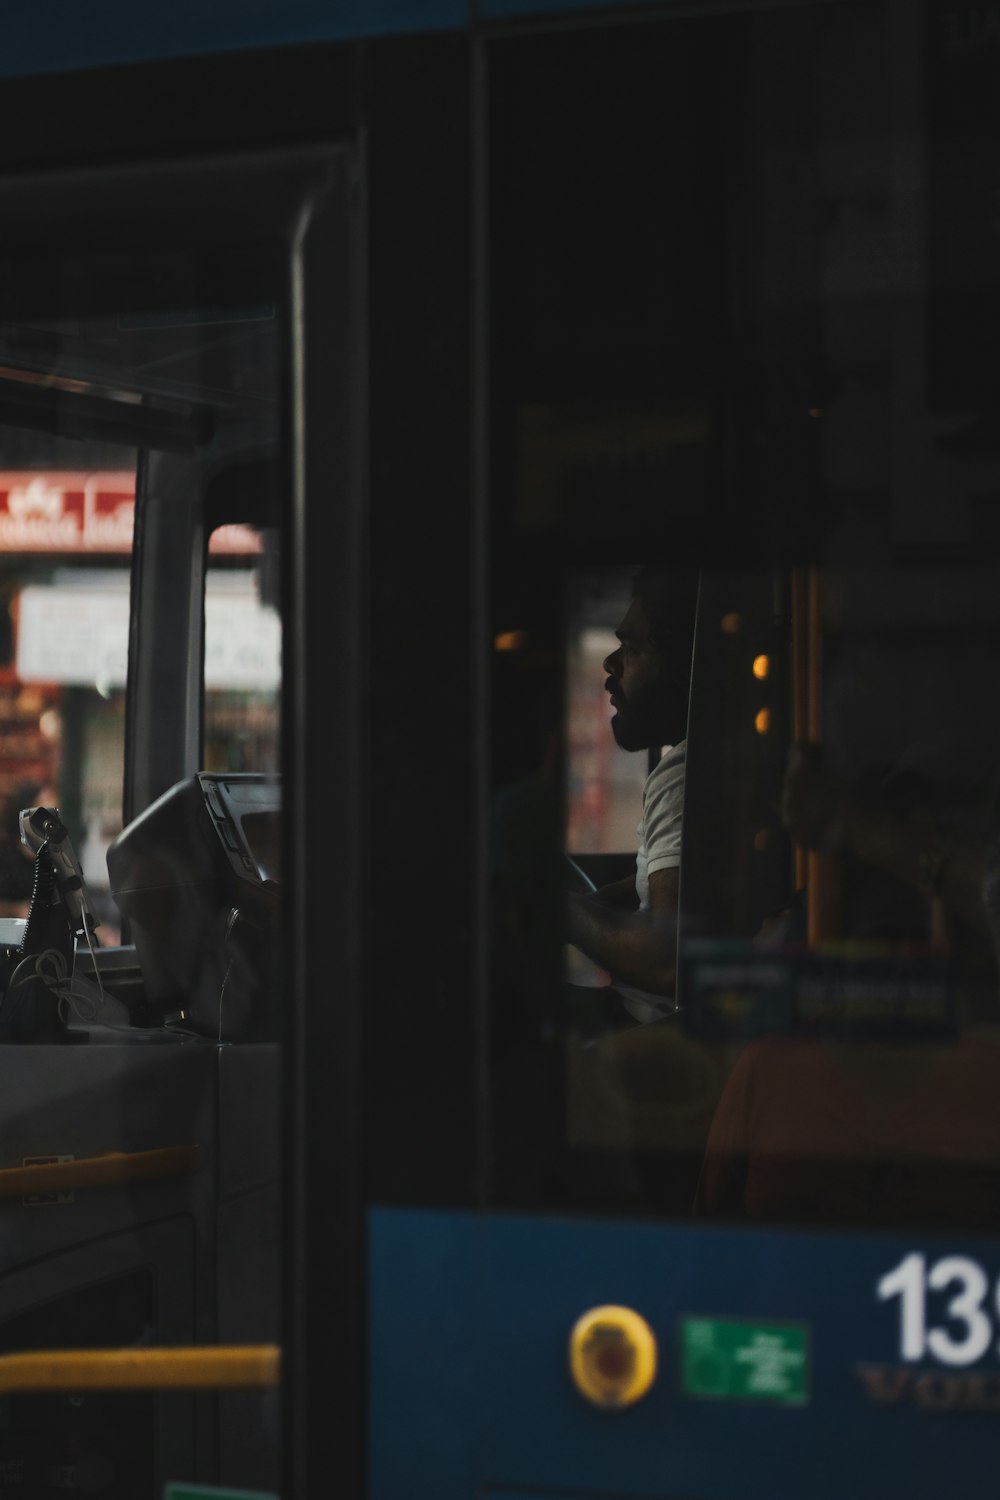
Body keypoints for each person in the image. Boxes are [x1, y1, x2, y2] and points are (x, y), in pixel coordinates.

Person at [565, 566, 697, 1027]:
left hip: (649, 1031)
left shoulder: (682, 778)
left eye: (633, 649)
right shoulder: (688, 767)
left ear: (683, 668)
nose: (610, 666)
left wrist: (566, 912)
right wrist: (597, 902)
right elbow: (660, 874)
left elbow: (665, 959)